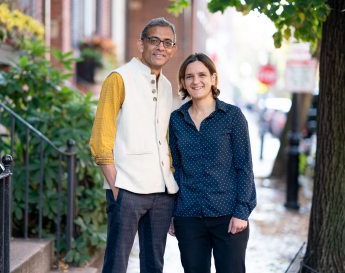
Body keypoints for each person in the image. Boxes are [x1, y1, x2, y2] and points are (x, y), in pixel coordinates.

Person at [89, 17, 179, 273]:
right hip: (126, 188)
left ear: (173, 49)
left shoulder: (166, 85)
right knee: (117, 263)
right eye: (154, 40)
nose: (160, 47)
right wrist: (115, 183)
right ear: (141, 44)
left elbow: (164, 139)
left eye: (167, 42)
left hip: (161, 192)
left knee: (154, 265)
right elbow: (101, 135)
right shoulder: (119, 78)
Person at [168, 53, 257, 273]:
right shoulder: (176, 120)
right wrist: (172, 212)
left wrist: (241, 212)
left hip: (228, 215)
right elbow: (175, 168)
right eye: (189, 76)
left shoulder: (232, 116)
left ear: (213, 79)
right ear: (183, 82)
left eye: (202, 75)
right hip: (188, 215)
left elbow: (244, 167)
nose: (196, 81)